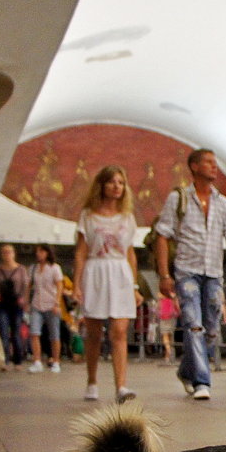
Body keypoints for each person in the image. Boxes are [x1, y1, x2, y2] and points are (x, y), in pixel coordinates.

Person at [153, 149, 226, 401]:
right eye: (208, 162)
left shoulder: (223, 203)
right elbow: (162, 235)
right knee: (194, 325)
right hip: (187, 271)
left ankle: (186, 371)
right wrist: (163, 274)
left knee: (212, 329)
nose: (214, 167)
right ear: (193, 166)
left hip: (213, 272)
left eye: (216, 163)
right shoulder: (178, 198)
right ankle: (203, 381)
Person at [75, 165, 142, 403]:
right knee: (93, 333)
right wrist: (76, 285)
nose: (117, 186)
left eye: (121, 183)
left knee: (120, 331)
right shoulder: (88, 215)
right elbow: (81, 252)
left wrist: (135, 287)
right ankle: (92, 381)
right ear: (102, 185)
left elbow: (131, 253)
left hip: (121, 272)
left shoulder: (127, 217)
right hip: (96, 270)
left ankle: (121, 386)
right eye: (112, 182)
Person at [0, 243, 29, 370]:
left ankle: (17, 361)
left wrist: (25, 301)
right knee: (3, 331)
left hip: (16, 304)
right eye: (4, 252)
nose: (7, 255)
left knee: (16, 332)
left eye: (9, 252)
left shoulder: (21, 269)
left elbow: (26, 286)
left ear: (14, 253)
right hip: (3, 304)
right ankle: (5, 360)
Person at [27, 244, 64, 373]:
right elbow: (29, 286)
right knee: (34, 332)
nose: (38, 254)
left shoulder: (55, 268)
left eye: (41, 251)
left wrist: (57, 303)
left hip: (51, 304)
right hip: (37, 303)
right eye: (37, 251)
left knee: (54, 334)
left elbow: (60, 286)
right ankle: (37, 361)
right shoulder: (33, 269)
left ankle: (56, 361)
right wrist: (27, 302)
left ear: (47, 253)